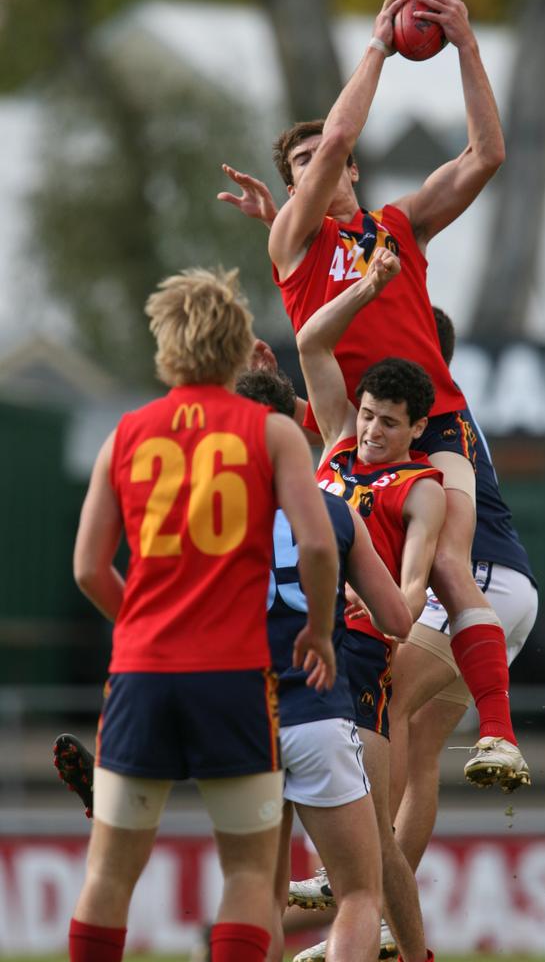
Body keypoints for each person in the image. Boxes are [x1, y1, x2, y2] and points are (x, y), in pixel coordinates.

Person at [218, 0, 528, 789]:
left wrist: (465, 42)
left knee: (450, 560)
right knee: (360, 636)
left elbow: (488, 154)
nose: (314, 166)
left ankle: (499, 733)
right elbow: (344, 125)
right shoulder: (292, 240)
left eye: (325, 155)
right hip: (352, 440)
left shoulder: (396, 225)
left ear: (353, 167)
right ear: (294, 188)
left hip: (435, 422)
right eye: (299, 163)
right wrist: (379, 47)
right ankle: (342, 848)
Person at [67, 267, 340, 962]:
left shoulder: (125, 434)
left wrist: (139, 625)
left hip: (141, 675)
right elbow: (314, 541)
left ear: (166, 343)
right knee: (249, 874)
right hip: (235, 678)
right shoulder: (272, 431)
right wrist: (318, 629)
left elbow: (88, 568)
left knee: (108, 876)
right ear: (240, 342)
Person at [293, 247, 444, 962]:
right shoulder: (331, 453)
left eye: (389, 422)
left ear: (417, 427)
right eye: (367, 415)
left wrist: (376, 596)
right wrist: (369, 286)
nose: (372, 431)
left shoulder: (419, 489)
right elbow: (312, 342)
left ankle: (415, 956)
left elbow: (412, 591)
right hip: (290, 644)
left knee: (377, 839)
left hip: (358, 655)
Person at [393, 305, 538, 870]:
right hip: (509, 586)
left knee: (384, 705)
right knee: (421, 748)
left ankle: (355, 861)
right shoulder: (444, 409)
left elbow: (355, 429)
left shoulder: (429, 409)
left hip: (475, 582)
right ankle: (383, 900)